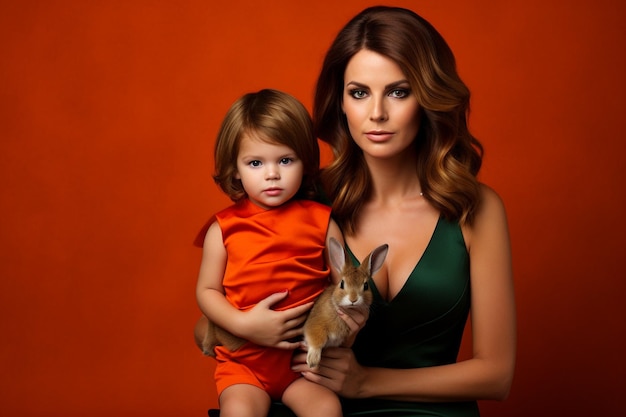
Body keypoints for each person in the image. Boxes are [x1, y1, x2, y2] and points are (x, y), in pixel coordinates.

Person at [287, 6, 517, 416]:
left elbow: (497, 375)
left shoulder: (476, 209)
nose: (376, 113)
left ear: (428, 97)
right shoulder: (305, 201)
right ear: (339, 102)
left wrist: (366, 382)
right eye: (359, 93)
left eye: (398, 91)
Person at [194, 89, 343, 417]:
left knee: (327, 409)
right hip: (244, 365)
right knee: (239, 412)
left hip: (303, 365)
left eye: (285, 160)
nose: (272, 173)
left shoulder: (322, 222)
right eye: (256, 162)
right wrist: (243, 324)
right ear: (235, 169)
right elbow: (206, 291)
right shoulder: (223, 229)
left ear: (305, 163)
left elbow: (343, 286)